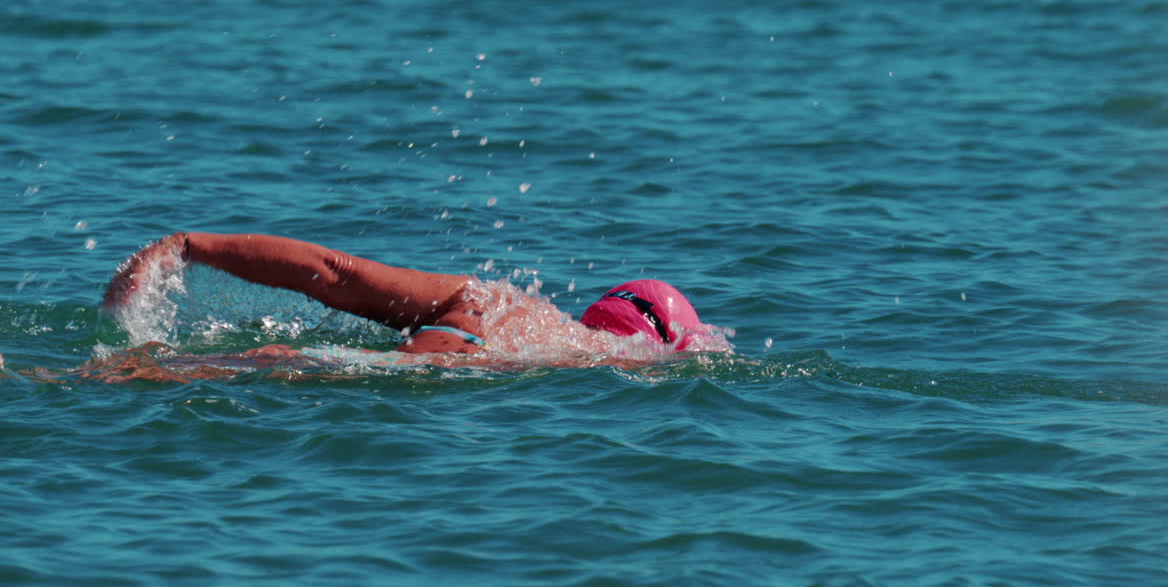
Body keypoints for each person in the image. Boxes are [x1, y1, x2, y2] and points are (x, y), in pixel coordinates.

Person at [103, 232, 728, 358]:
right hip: (429, 373)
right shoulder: (613, 359)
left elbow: (333, 272)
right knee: (279, 364)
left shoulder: (498, 298)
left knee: (269, 359)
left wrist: (188, 246)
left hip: (451, 343)